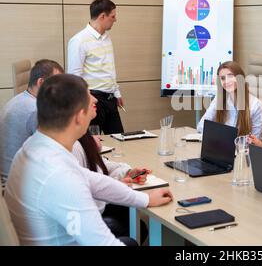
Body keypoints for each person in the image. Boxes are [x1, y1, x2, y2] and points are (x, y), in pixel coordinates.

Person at [5, 74, 173, 245]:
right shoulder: (60, 177)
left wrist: (145, 199)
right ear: (78, 117)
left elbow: (91, 179)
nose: (95, 99)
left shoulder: (36, 146)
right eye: (88, 96)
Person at [72, 133, 150, 238]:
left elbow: (100, 167)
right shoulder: (74, 146)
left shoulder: (79, 139)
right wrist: (116, 186)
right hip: (81, 221)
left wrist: (127, 172)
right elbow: (82, 199)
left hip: (94, 209)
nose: (95, 115)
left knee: (134, 220)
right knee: (137, 228)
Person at [0, 59, 63, 186]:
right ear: (41, 82)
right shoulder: (35, 109)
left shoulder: (18, 100)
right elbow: (58, 150)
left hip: (13, 177)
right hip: (22, 184)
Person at [67, 0, 124, 134]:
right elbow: (74, 77)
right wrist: (84, 102)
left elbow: (109, 68)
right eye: (113, 16)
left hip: (110, 99)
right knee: (94, 145)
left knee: (119, 140)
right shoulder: (79, 41)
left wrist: (116, 92)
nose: (115, 20)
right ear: (102, 16)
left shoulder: (106, 37)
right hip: (93, 101)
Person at [197, 61, 262, 138]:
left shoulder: (256, 105)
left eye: (230, 76)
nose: (226, 81)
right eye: (223, 78)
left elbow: (254, 140)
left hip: (242, 148)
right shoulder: (219, 99)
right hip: (220, 144)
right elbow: (201, 126)